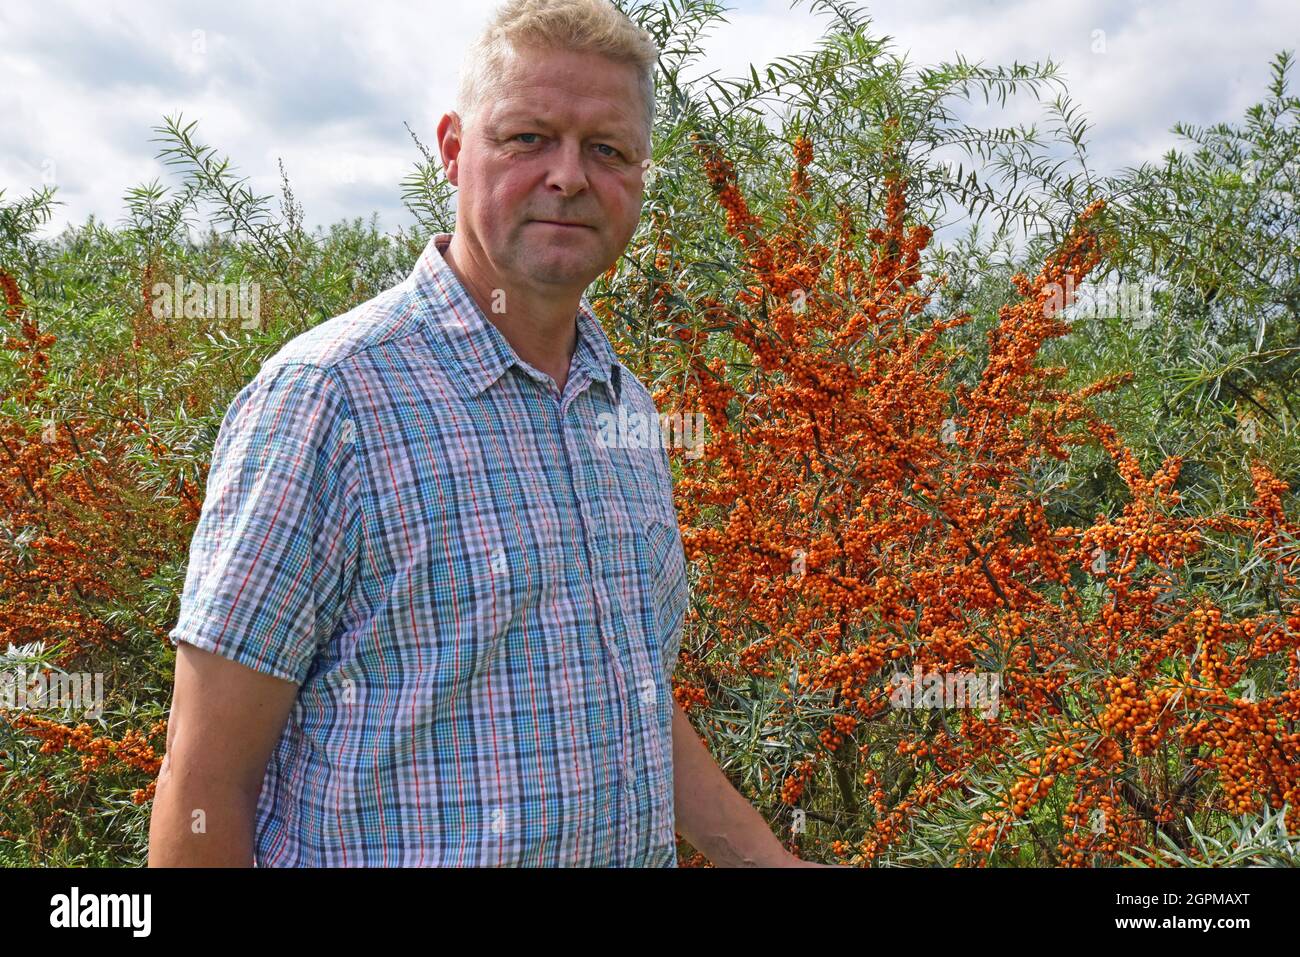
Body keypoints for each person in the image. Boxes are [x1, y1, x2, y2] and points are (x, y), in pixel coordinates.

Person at [148, 0, 824, 867]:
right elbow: (205, 783)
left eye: (607, 149)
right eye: (528, 138)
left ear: (642, 177)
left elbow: (631, 696)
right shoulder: (330, 402)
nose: (569, 176)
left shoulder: (623, 408)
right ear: (454, 149)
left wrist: (767, 860)